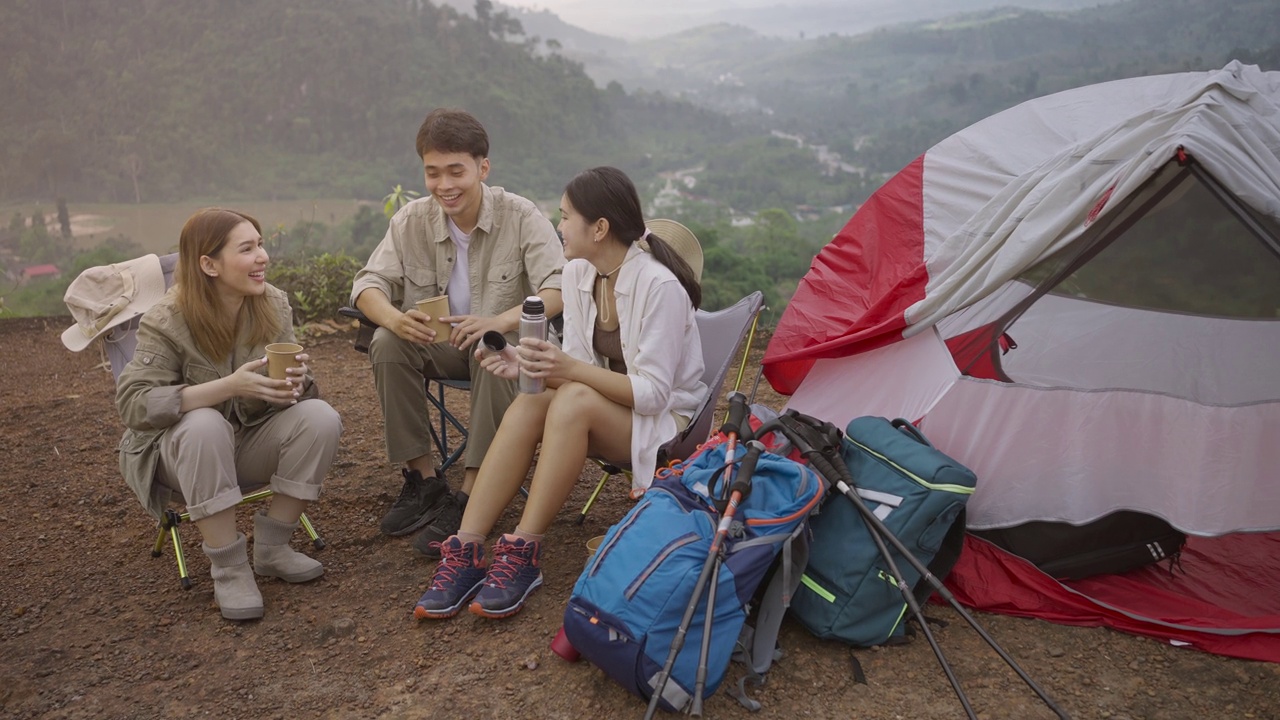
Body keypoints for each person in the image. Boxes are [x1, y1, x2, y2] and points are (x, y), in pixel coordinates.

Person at [413, 166, 707, 620]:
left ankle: (523, 551)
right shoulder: (577, 275)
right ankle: (467, 548)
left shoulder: (659, 286)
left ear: (600, 228)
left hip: (666, 424)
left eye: (566, 216)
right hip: (603, 408)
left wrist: (567, 370)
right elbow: (576, 370)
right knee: (533, 400)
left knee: (571, 398)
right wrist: (524, 365)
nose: (559, 226)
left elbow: (651, 395)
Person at [350, 108, 566, 557]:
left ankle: (471, 497)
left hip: (503, 347)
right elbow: (367, 285)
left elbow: (560, 288)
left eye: (456, 171)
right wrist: (393, 319)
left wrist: (499, 322)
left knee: (493, 349)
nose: (444, 185)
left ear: (482, 167)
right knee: (388, 341)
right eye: (432, 173)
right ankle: (425, 482)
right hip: (442, 343)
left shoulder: (521, 215)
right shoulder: (411, 221)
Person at [115, 208, 343, 621]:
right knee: (204, 425)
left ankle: (272, 549)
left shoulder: (272, 303)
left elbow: (298, 392)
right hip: (180, 455)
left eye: (261, 244)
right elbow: (134, 404)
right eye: (248, 248)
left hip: (248, 435)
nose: (263, 256)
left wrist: (296, 383)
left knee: (321, 417)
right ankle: (229, 569)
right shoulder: (167, 320)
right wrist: (228, 387)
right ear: (209, 264)